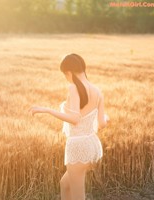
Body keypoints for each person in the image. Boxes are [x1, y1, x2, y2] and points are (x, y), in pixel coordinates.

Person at [28, 53, 109, 200]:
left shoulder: (73, 87)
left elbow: (75, 119)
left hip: (78, 146)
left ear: (68, 72)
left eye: (65, 74)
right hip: (91, 146)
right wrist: (106, 118)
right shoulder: (97, 91)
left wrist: (47, 110)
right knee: (65, 184)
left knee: (78, 196)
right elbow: (102, 124)